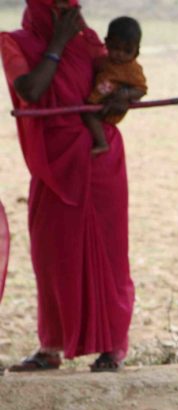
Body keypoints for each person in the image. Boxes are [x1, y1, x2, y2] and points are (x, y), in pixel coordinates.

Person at [2, 0, 134, 373]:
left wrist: (122, 98)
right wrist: (57, 43)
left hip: (100, 159)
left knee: (109, 254)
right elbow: (30, 90)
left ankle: (111, 348)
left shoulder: (90, 42)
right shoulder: (16, 43)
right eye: (60, 7)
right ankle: (51, 347)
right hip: (53, 164)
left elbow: (118, 81)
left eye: (72, 6)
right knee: (52, 252)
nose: (70, 13)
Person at [82, 16, 145, 155]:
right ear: (107, 43)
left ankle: (102, 143)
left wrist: (126, 95)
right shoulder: (102, 61)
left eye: (127, 51)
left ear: (137, 52)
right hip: (97, 102)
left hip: (111, 108)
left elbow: (141, 89)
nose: (120, 54)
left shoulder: (132, 69)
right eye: (116, 48)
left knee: (88, 115)